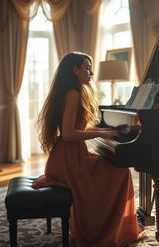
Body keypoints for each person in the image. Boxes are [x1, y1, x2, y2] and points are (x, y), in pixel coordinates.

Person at [32, 52, 146, 247]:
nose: (91, 72)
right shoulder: (73, 94)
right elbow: (68, 134)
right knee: (120, 173)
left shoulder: (73, 91)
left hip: (71, 155)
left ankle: (109, 226)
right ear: (75, 70)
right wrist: (103, 134)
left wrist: (105, 130)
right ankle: (103, 231)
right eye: (87, 67)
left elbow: (79, 129)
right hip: (69, 161)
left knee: (116, 171)